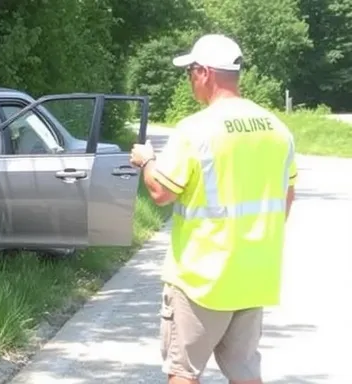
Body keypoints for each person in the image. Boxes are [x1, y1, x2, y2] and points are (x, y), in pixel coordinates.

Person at [129, 34, 297, 384]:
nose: (189, 79)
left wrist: (146, 161)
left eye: (190, 71)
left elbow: (161, 192)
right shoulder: (278, 130)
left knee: (183, 372)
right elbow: (287, 199)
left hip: (201, 280)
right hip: (254, 276)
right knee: (245, 372)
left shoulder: (196, 130)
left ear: (205, 72)